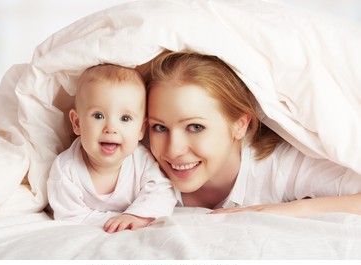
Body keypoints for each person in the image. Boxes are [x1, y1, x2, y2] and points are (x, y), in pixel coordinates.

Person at [144, 51, 361, 218]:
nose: (173, 149)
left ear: (240, 124)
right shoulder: (137, 159)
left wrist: (290, 209)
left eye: (195, 127)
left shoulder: (277, 166)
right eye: (160, 128)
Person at [47, 64, 177, 233]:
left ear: (141, 129)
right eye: (98, 116)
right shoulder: (66, 170)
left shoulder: (142, 161)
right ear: (77, 123)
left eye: (125, 118)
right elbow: (70, 216)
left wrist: (136, 216)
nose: (111, 128)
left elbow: (163, 193)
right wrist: (114, 221)